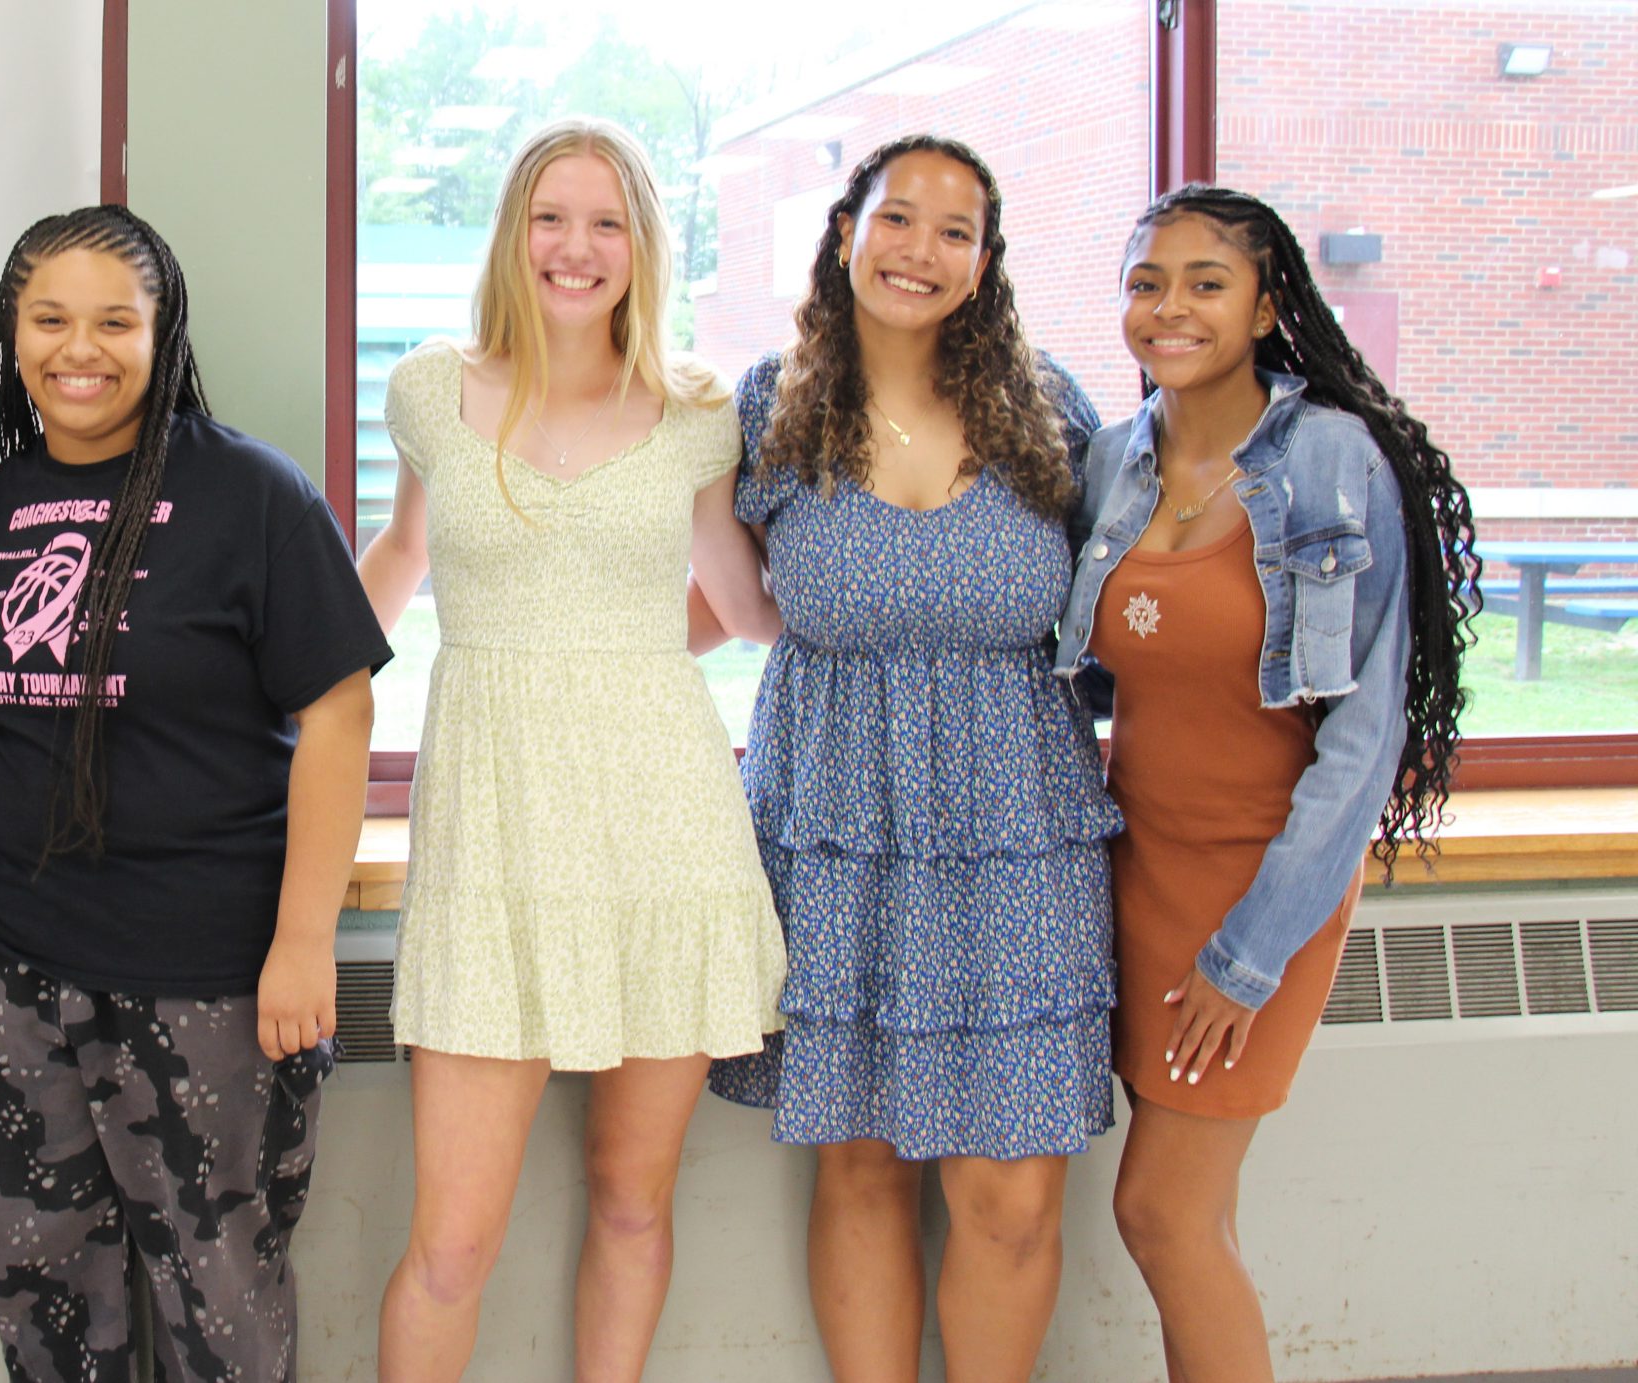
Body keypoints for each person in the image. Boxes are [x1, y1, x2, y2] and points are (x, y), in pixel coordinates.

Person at [0, 204, 390, 1382]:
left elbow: (339, 715)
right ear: (12, 336)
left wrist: (304, 943)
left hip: (208, 975)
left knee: (219, 1299)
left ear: (162, 329)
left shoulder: (250, 493)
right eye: (50, 320)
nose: (81, 349)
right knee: (42, 1303)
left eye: (115, 321)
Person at [356, 117, 786, 1382]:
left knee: (632, 1200)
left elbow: (743, 605)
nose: (576, 247)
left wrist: (629, 651)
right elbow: (401, 553)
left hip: (665, 827)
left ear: (642, 245)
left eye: (606, 221)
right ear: (513, 234)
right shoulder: (434, 387)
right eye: (552, 217)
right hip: (491, 835)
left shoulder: (700, 412)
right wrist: (301, 687)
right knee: (451, 1240)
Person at [701, 135, 1120, 1382]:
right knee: (863, 1161)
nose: (920, 251)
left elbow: (1128, 609)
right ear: (845, 233)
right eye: (898, 219)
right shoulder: (767, 407)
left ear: (985, 262)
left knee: (1010, 1194)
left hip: (1018, 829)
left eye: (955, 231)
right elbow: (708, 604)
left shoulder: (1052, 407)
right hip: (835, 815)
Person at [1056, 184, 1478, 1383]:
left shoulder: (1328, 460)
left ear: (1264, 305)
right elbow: (1104, 676)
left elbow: (1362, 735)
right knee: (1196, 1218)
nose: (1169, 308)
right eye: (1146, 282)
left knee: (1162, 1215)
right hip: (1132, 868)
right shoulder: (1112, 460)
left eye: (1204, 282)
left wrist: (1252, 952)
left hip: (1259, 888)